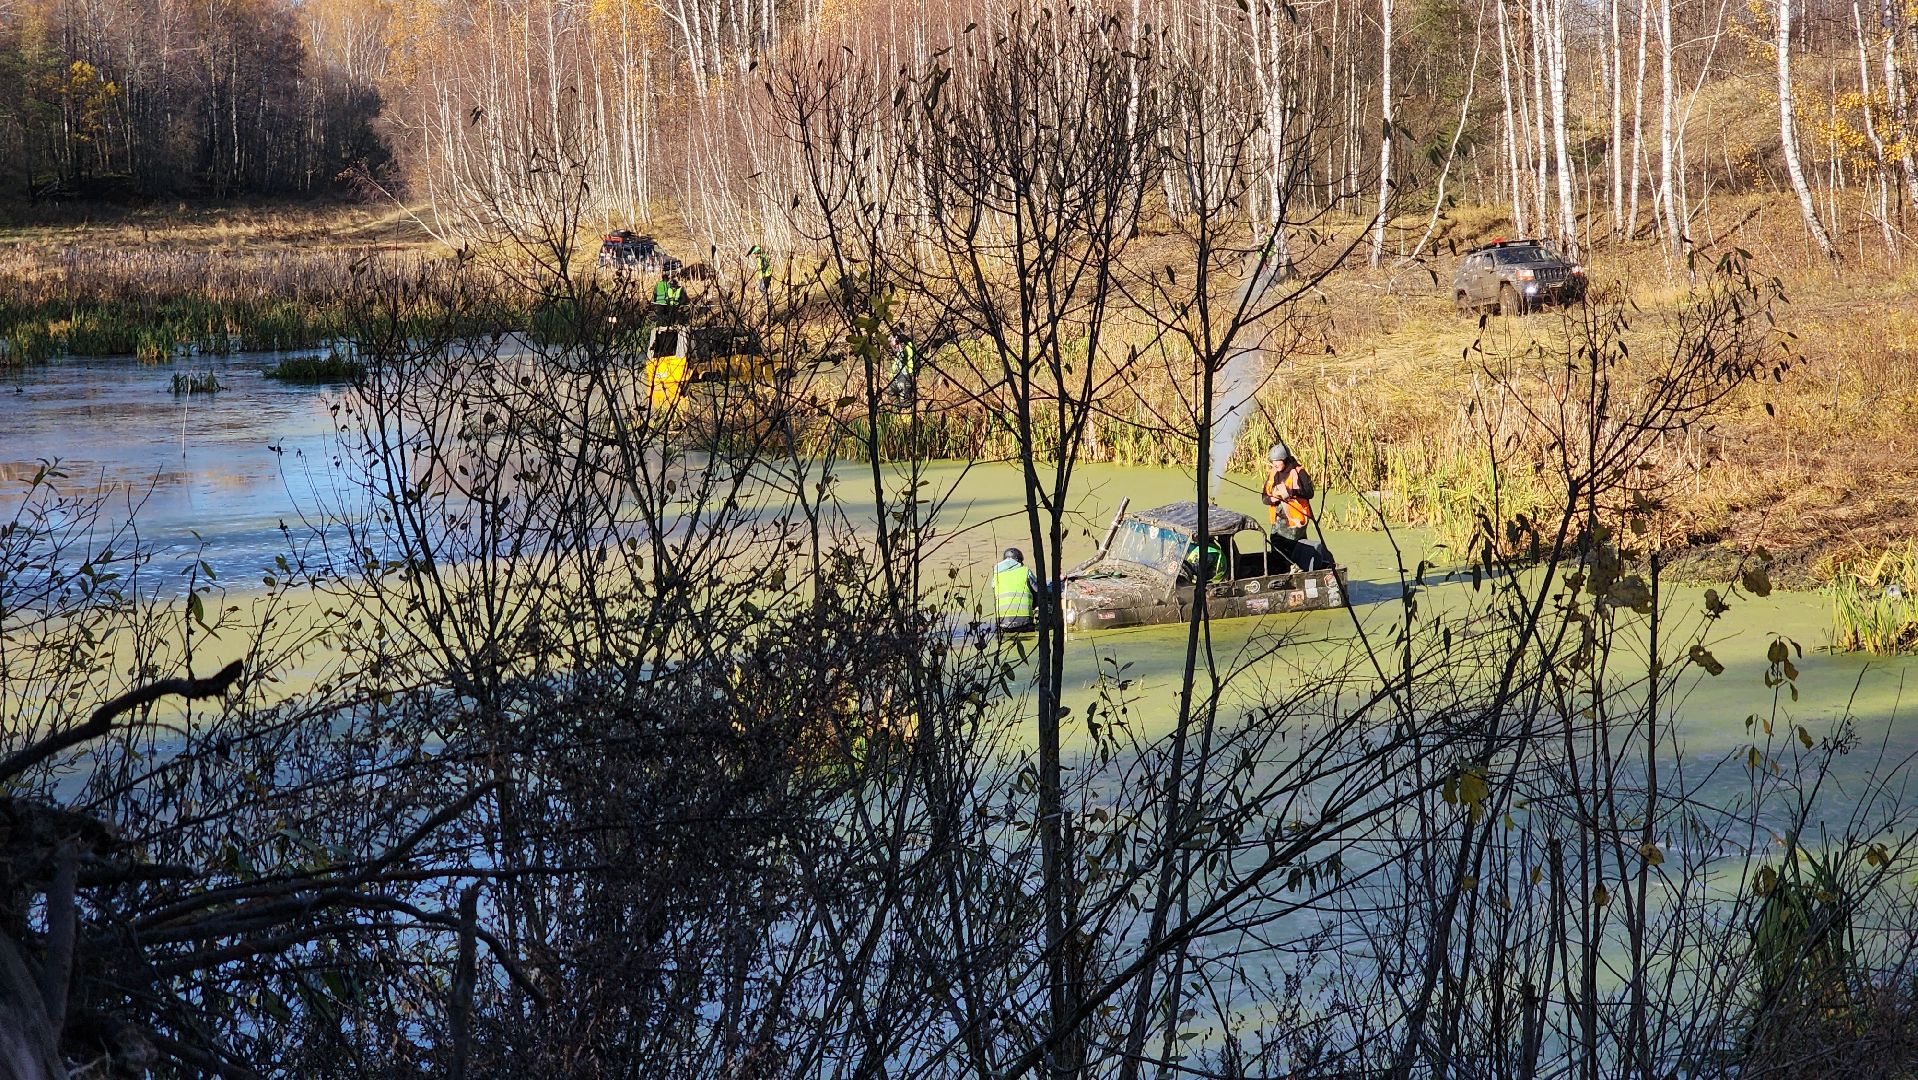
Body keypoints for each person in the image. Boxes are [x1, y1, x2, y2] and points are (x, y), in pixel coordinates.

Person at [1262, 441, 1325, 571]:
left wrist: (1291, 492)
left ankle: (1296, 571)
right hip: (1278, 520)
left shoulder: (1298, 472)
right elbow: (1264, 498)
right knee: (1276, 546)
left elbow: (1309, 493)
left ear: (1285, 459)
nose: (1275, 464)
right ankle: (1281, 571)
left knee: (1293, 547)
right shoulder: (1273, 473)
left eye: (1278, 461)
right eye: (1273, 461)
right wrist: (1272, 499)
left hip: (1295, 520)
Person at [993, 546, 1039, 632]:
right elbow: (1038, 591)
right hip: (1024, 622)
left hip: (1002, 624)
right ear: (1018, 560)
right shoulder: (1025, 571)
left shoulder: (995, 575)